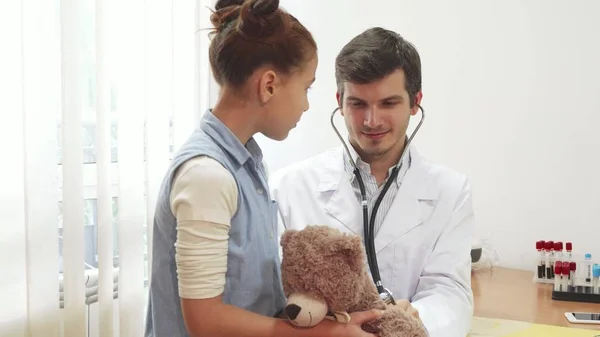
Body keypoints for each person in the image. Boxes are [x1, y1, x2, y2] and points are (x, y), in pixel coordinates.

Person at [144, 1, 383, 336]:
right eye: (306, 87)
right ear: (269, 85)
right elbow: (205, 321)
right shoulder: (207, 176)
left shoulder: (246, 166)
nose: (306, 104)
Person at [269, 27, 475, 337]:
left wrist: (420, 316)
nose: (372, 121)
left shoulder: (450, 191)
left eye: (389, 103)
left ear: (415, 101)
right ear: (339, 101)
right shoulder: (287, 187)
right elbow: (274, 293)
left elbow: (451, 291)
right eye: (358, 104)